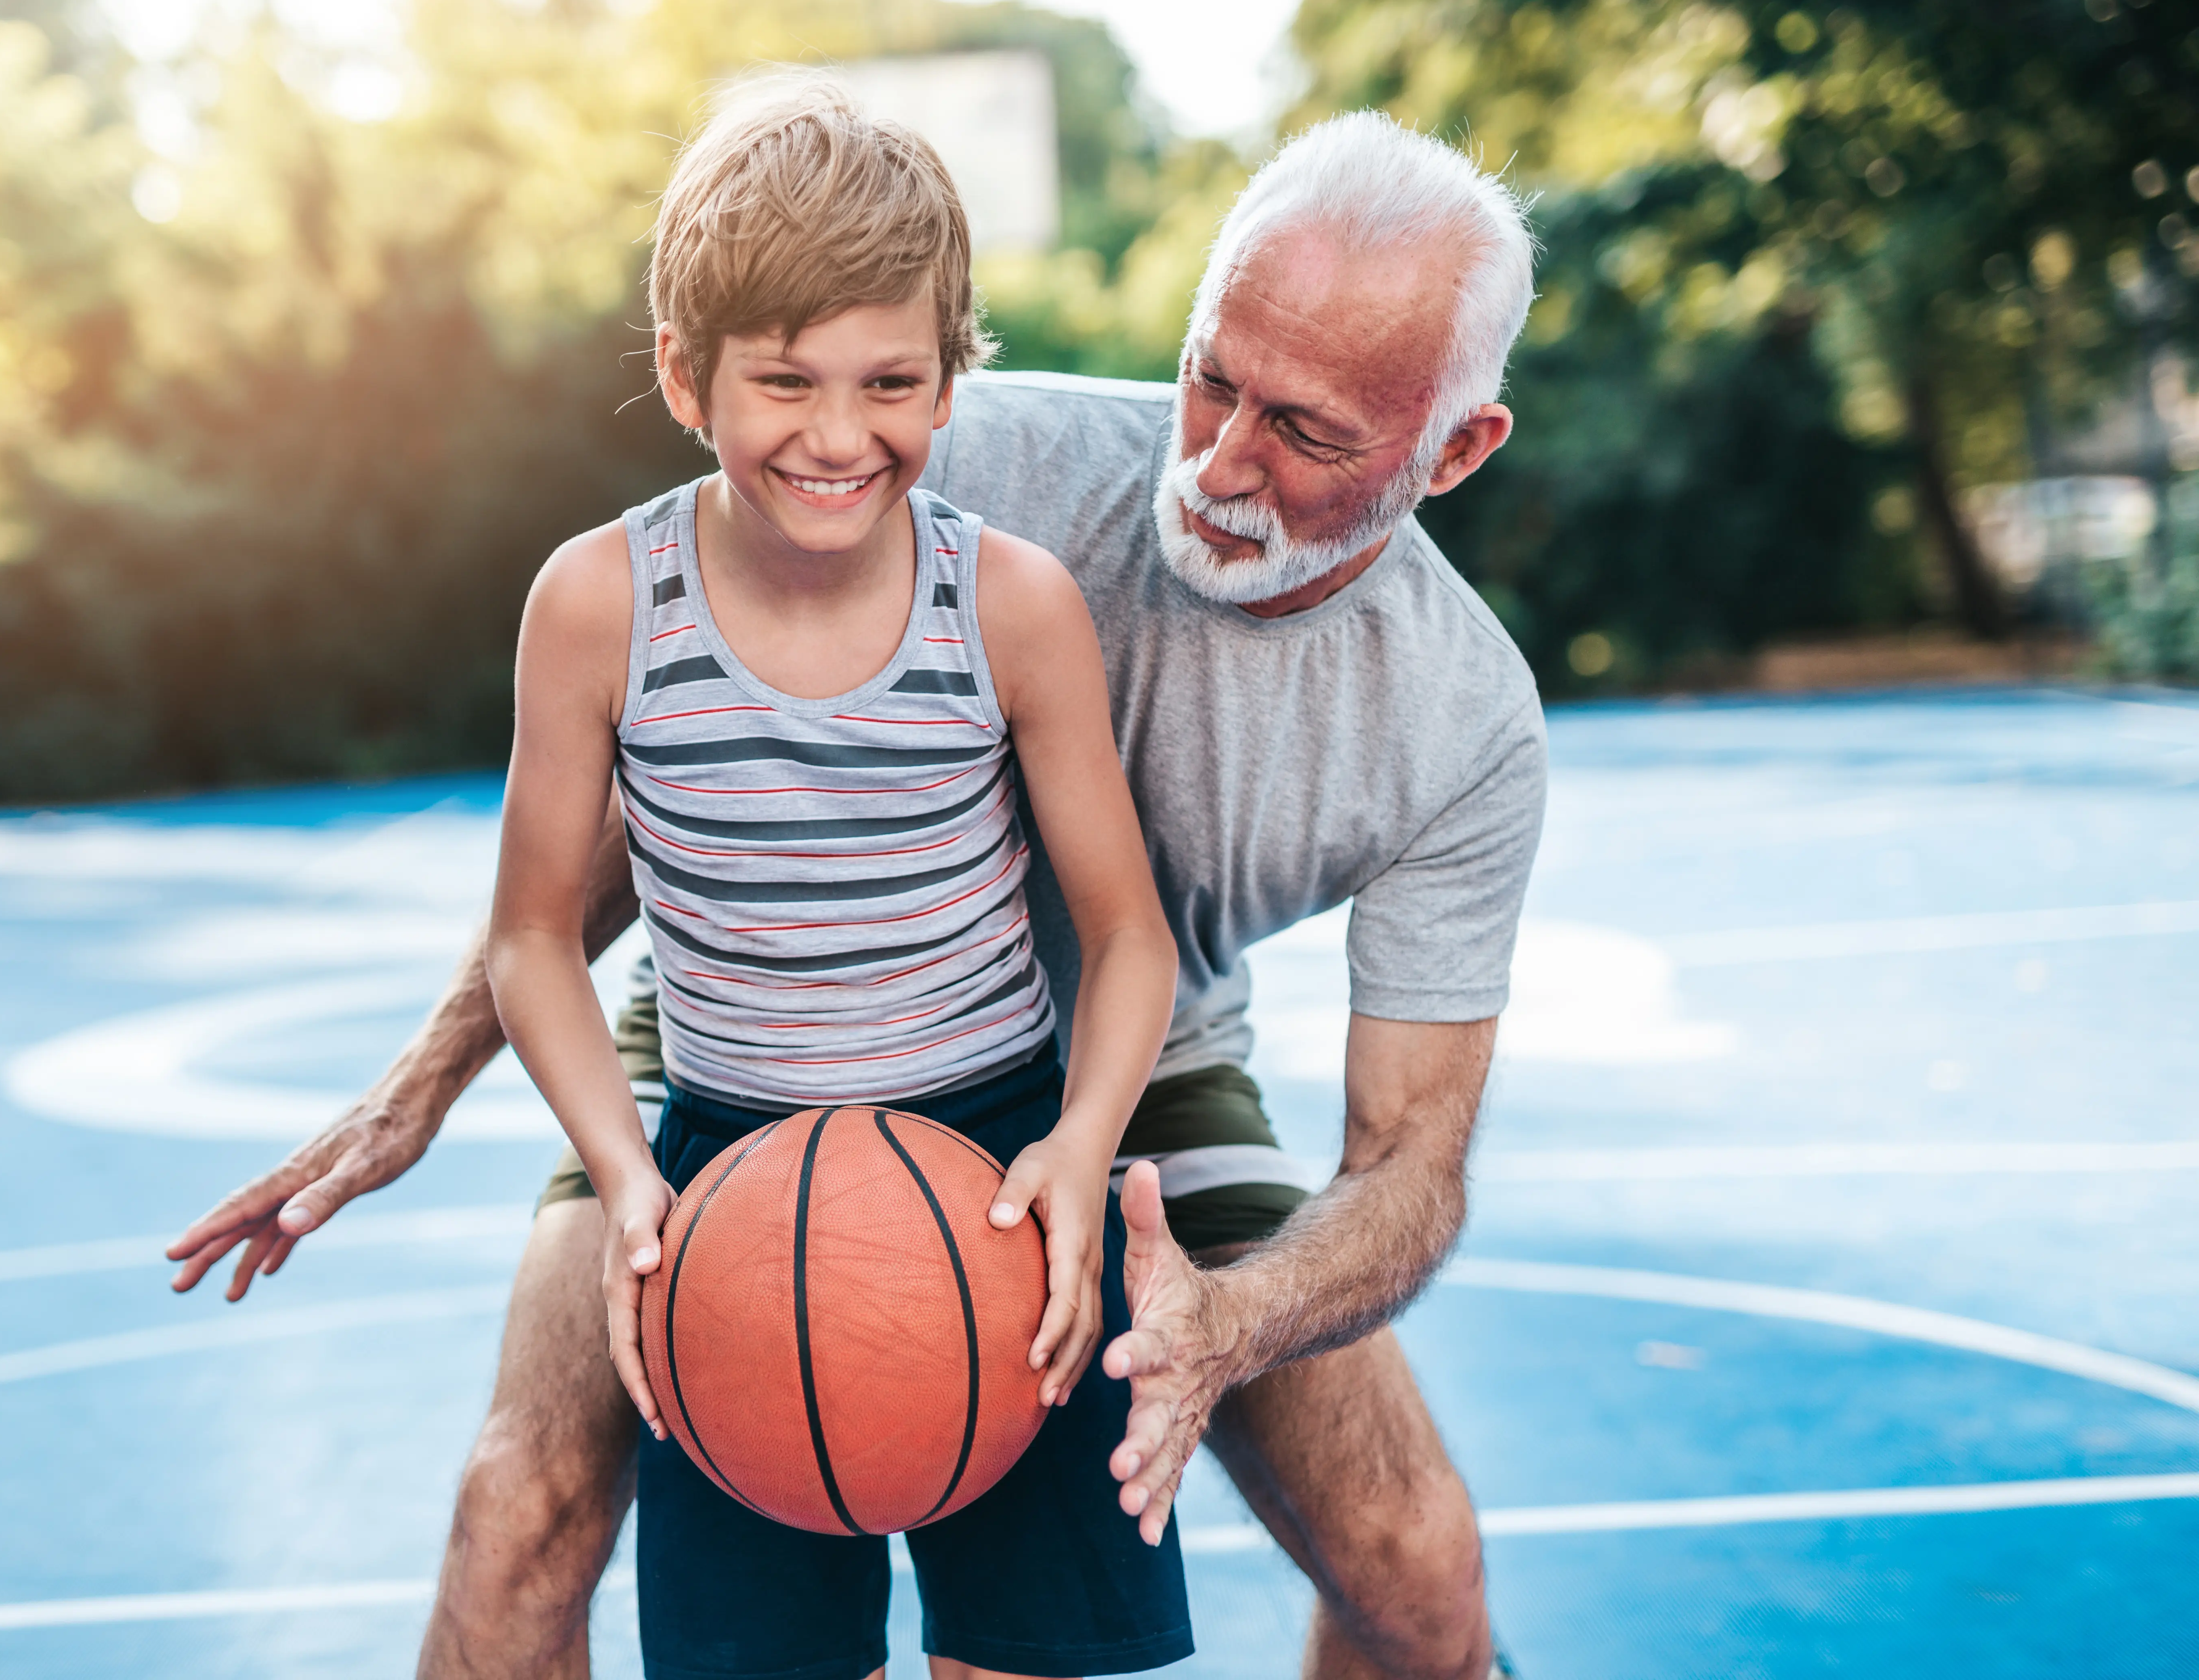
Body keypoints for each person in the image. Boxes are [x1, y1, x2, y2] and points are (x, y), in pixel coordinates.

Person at [169, 108, 1546, 1680]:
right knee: (518, 1513)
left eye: (1306, 432)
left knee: (1415, 1562)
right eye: (1211, 378)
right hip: (733, 1041)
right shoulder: (947, 448)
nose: (1221, 459)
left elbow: (1409, 1169)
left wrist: (1220, 1323)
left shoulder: (1460, 724)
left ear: (1451, 451)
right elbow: (679, 780)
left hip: (1111, 1060)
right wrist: (427, 1083)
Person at [489, 79, 1188, 1680]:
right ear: (685, 373)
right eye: (782, 381)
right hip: (730, 1188)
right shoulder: (601, 604)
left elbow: (1130, 937)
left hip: (999, 1171)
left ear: (952, 381)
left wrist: (1082, 1149)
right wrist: (626, 1178)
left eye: (891, 381)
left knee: (1039, 1659)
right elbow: (532, 941)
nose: (836, 433)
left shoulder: (1007, 605)